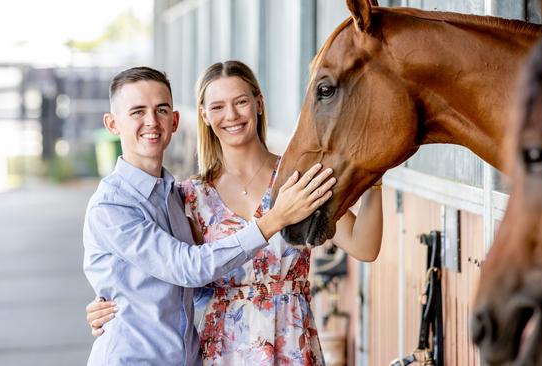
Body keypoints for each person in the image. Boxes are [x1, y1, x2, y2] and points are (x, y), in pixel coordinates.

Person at [86, 61, 383, 365]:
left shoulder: (294, 180)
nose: (231, 115)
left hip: (292, 345)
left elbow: (364, 246)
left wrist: (376, 172)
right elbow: (188, 270)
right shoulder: (191, 195)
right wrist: (118, 301)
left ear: (259, 104)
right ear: (204, 115)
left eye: (241, 101)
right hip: (223, 351)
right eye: (218, 106)